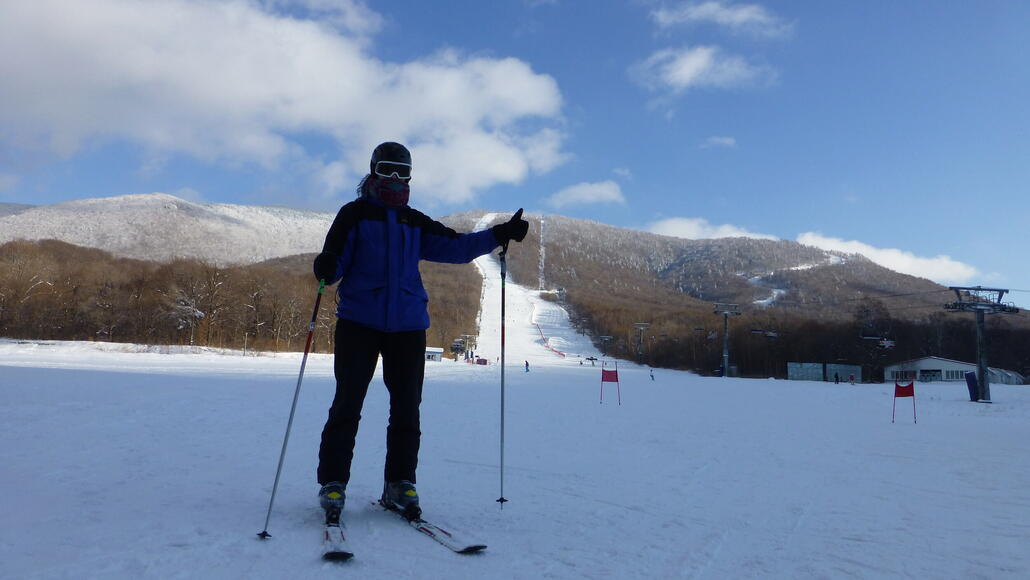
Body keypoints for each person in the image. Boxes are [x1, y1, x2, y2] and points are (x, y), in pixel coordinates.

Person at [312, 142, 528, 520]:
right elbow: (336, 261)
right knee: (347, 404)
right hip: (358, 323)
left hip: (408, 328)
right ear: (373, 172)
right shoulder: (354, 215)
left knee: (407, 409)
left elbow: (457, 248)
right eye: (387, 170)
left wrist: (499, 234)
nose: (394, 179)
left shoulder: (415, 221)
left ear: (410, 175)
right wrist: (327, 266)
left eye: (402, 171)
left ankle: (400, 483)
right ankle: (333, 484)